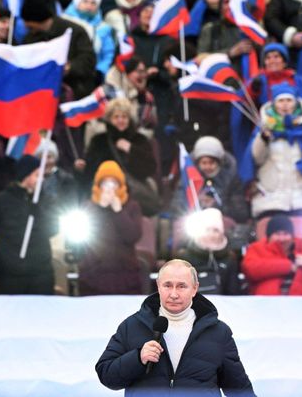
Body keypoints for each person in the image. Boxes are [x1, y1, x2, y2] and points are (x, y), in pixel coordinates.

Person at [95, 259, 256, 395]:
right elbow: (107, 375)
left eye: (181, 286)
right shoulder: (132, 326)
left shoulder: (218, 332)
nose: (173, 294)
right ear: (158, 286)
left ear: (195, 288)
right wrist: (137, 358)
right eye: (167, 285)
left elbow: (239, 389)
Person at [0, 155, 58, 295]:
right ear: (26, 176)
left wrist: (39, 212)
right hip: (10, 276)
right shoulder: (0, 201)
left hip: (42, 274)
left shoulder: (46, 200)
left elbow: (54, 229)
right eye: (37, 175)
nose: (41, 180)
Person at [246, 83, 302, 219]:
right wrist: (263, 139)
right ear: (274, 104)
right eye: (281, 101)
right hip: (270, 200)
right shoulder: (265, 129)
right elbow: (255, 159)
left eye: (289, 100)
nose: (285, 105)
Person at [79, 97, 158, 213]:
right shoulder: (99, 141)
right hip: (102, 200)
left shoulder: (140, 140)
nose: (120, 120)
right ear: (109, 119)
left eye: (124, 117)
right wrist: (79, 168)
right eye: (116, 117)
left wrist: (131, 149)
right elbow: (89, 173)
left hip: (134, 202)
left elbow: (150, 168)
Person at [78, 160, 144, 295]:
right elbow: (85, 235)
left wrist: (119, 212)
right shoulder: (88, 206)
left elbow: (133, 236)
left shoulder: (132, 207)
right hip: (94, 273)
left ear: (120, 185)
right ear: (98, 185)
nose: (109, 188)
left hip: (125, 274)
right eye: (105, 183)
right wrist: (100, 209)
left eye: (113, 183)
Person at [21, 0, 97, 99]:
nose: (26, 27)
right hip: (41, 93)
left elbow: (88, 61)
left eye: (30, 26)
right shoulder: (30, 38)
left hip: (74, 91)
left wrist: (69, 68)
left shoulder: (75, 32)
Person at [242, 215, 302, 295]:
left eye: (286, 233)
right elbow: (250, 270)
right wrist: (288, 266)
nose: (282, 238)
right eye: (277, 234)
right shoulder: (257, 249)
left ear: (292, 236)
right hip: (266, 308)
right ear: (269, 236)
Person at [173, 136, 249, 224]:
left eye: (211, 162)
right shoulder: (188, 180)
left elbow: (240, 213)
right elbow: (177, 206)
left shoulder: (231, 179)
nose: (207, 167)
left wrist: (216, 205)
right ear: (197, 163)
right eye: (204, 163)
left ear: (219, 162)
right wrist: (196, 202)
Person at [175, 208, 241, 295]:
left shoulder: (229, 258)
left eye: (215, 230)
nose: (211, 234)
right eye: (207, 230)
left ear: (221, 233)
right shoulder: (184, 257)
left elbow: (233, 292)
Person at [62, 0, 116, 80]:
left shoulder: (103, 28)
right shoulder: (63, 22)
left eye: (93, 3)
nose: (89, 6)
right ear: (77, 2)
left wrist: (101, 70)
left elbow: (108, 53)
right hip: (67, 72)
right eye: (85, 1)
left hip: (93, 75)